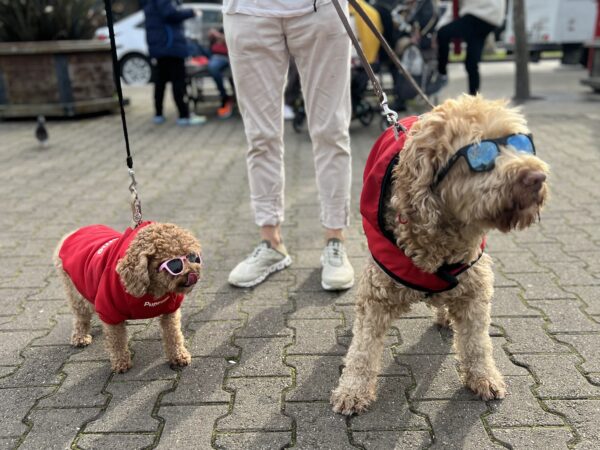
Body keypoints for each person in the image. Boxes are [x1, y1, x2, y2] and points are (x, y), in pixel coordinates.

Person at [223, 0, 355, 291]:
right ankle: (271, 242)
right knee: (260, 136)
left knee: (331, 131)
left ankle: (335, 240)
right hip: (247, 12)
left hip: (319, 9)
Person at [143, 0, 206, 126]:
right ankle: (184, 116)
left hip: (161, 47)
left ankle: (158, 114)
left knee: (160, 82)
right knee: (178, 82)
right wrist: (191, 12)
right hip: (170, 46)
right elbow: (170, 14)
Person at [430, 0, 505, 95]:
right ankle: (474, 98)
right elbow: (453, 9)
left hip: (476, 16)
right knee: (471, 63)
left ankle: (442, 73)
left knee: (443, 34)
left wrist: (437, 31)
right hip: (492, 19)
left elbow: (452, 11)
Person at [206, 27, 235, 119]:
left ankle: (229, 99)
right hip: (215, 56)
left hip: (229, 56)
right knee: (213, 67)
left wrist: (220, 36)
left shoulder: (231, 27)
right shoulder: (219, 29)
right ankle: (225, 97)